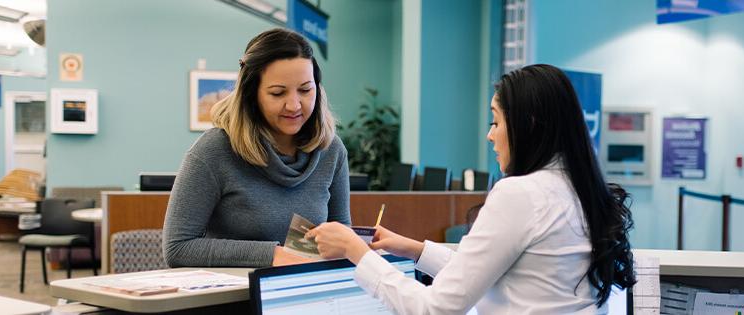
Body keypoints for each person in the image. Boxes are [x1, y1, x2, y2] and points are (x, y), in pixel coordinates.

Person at [308, 64, 636, 314]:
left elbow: (434, 308)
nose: (490, 135)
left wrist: (357, 252)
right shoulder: (578, 189)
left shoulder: (521, 194)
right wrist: (413, 249)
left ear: (530, 125)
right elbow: (493, 272)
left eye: (495, 122)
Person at [163, 28, 350, 268]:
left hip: (302, 294)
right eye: (277, 92)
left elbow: (340, 237)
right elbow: (177, 247)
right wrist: (274, 255)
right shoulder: (214, 150)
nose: (294, 105)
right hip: (234, 300)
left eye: (305, 90)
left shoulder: (332, 150)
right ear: (252, 95)